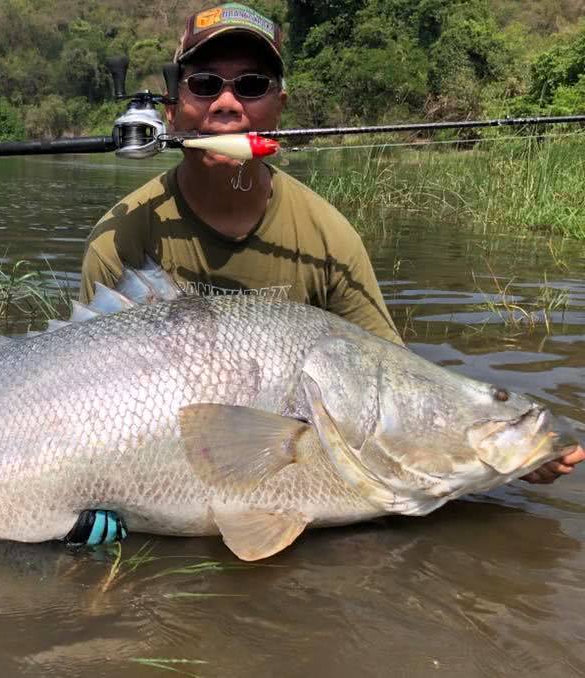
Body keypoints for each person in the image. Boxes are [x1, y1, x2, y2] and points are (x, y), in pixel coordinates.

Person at [78, 2, 583, 501]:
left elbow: (392, 378)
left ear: (279, 106)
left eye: (252, 86)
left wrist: (502, 456)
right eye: (205, 84)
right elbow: (76, 394)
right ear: (173, 108)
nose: (227, 104)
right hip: (136, 450)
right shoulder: (121, 235)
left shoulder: (330, 237)